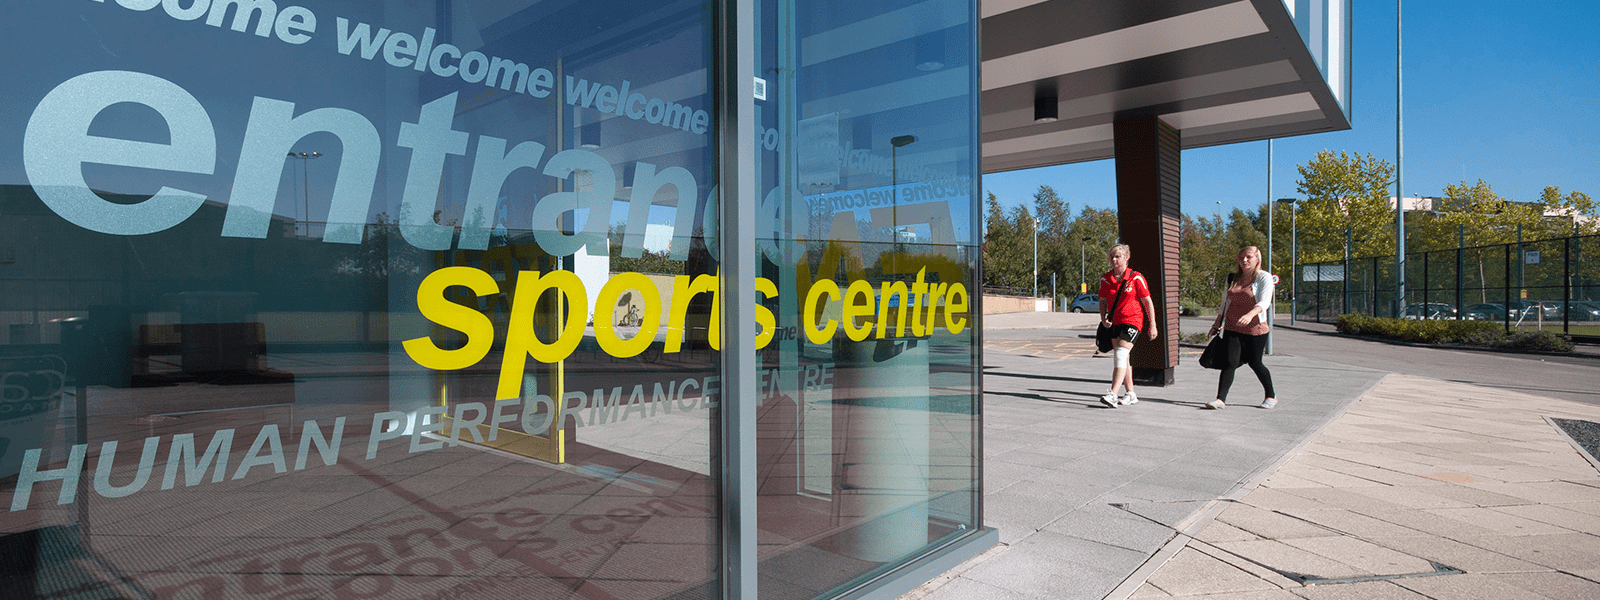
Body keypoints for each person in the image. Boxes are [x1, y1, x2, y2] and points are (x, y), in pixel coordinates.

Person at [1206, 245, 1276, 409]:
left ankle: (1271, 396)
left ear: (1257, 259)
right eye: (1241, 257)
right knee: (1230, 362)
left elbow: (1265, 302)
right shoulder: (1232, 278)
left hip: (1255, 328)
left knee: (1255, 362)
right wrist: (1217, 324)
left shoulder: (1264, 277)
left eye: (1248, 257)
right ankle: (1220, 400)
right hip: (1232, 326)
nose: (1244, 260)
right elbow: (1225, 302)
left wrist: (1250, 315)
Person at [1098, 244, 1158, 408]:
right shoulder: (1105, 279)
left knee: (1120, 354)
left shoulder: (1136, 277)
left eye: (1117, 256)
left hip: (1133, 321)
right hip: (1115, 322)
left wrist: (1152, 324)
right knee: (1124, 359)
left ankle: (1113, 393)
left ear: (1126, 257)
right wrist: (1104, 319)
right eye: (1112, 257)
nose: (1114, 260)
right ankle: (1131, 393)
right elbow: (1102, 301)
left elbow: (1147, 301)